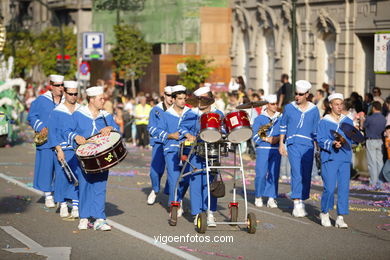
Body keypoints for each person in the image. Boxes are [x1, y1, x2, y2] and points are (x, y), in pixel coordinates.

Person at [65, 86, 119, 231]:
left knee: (100, 186)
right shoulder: (78, 114)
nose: (103, 101)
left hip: (102, 158)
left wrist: (111, 129)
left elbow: (116, 130)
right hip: (84, 159)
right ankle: (84, 217)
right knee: (85, 186)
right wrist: (76, 137)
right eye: (100, 99)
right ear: (92, 99)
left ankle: (99, 218)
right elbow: (67, 131)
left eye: (103, 98)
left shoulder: (106, 116)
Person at [180, 85, 224, 227]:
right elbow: (182, 127)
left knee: (211, 183)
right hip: (196, 151)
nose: (202, 102)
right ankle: (197, 213)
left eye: (205, 98)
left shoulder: (219, 114)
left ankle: (210, 213)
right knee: (196, 182)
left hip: (212, 151)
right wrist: (188, 135)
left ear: (210, 99)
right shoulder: (191, 114)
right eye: (200, 99)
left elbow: (224, 129)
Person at [279, 80, 320, 217]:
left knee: (306, 174)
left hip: (308, 146)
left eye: (301, 94)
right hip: (292, 144)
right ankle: (296, 203)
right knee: (296, 172)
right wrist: (281, 144)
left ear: (307, 94)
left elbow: (316, 131)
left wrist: (318, 148)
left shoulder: (314, 110)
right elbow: (283, 126)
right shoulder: (289, 108)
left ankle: (301, 199)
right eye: (296, 94)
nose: (297, 96)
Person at [153, 85, 191, 217]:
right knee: (174, 178)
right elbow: (158, 132)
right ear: (173, 99)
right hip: (172, 150)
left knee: (186, 179)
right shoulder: (166, 115)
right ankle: (174, 205)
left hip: (189, 150)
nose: (182, 101)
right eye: (179, 98)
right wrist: (170, 135)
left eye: (184, 99)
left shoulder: (190, 113)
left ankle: (178, 200)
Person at [27, 74, 64, 208]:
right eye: (57, 85)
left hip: (62, 141)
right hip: (46, 141)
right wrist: (40, 126)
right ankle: (48, 195)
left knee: (61, 169)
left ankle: (60, 195)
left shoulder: (67, 101)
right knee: (46, 168)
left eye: (62, 85)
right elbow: (31, 116)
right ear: (51, 85)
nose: (60, 88)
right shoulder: (41, 100)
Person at [317, 93, 353, 228]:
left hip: (345, 158)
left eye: (341, 104)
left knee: (344, 188)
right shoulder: (324, 121)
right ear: (330, 105)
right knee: (330, 187)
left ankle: (340, 217)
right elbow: (320, 140)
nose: (339, 107)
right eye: (336, 104)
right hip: (330, 157)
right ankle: (325, 212)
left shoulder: (347, 121)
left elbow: (351, 138)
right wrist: (332, 143)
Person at [48, 80, 80, 218]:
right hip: (62, 149)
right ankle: (62, 204)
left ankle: (76, 204)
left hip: (78, 150)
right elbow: (52, 133)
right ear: (65, 93)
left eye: (76, 94)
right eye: (71, 94)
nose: (73, 96)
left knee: (78, 177)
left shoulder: (81, 110)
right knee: (62, 177)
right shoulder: (57, 112)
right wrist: (58, 149)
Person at [252, 94, 281, 208]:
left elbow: (284, 132)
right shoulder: (259, 118)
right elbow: (255, 135)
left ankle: (271, 197)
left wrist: (277, 139)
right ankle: (258, 196)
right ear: (267, 105)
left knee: (274, 173)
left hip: (276, 149)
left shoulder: (280, 118)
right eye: (272, 104)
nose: (275, 106)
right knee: (261, 173)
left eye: (276, 104)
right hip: (263, 148)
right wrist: (267, 139)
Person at [146, 86, 173, 205]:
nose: (171, 98)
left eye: (173, 96)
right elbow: (151, 127)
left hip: (174, 143)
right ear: (164, 95)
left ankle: (170, 193)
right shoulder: (155, 110)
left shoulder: (178, 110)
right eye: (168, 95)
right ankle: (155, 189)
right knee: (154, 170)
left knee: (173, 170)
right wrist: (163, 135)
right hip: (159, 143)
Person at [360, 101, 386, 188]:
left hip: (371, 141)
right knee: (380, 162)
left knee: (372, 162)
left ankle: (373, 182)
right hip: (380, 141)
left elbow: (362, 127)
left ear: (373, 108)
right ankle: (380, 181)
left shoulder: (370, 118)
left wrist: (361, 119)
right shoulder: (384, 118)